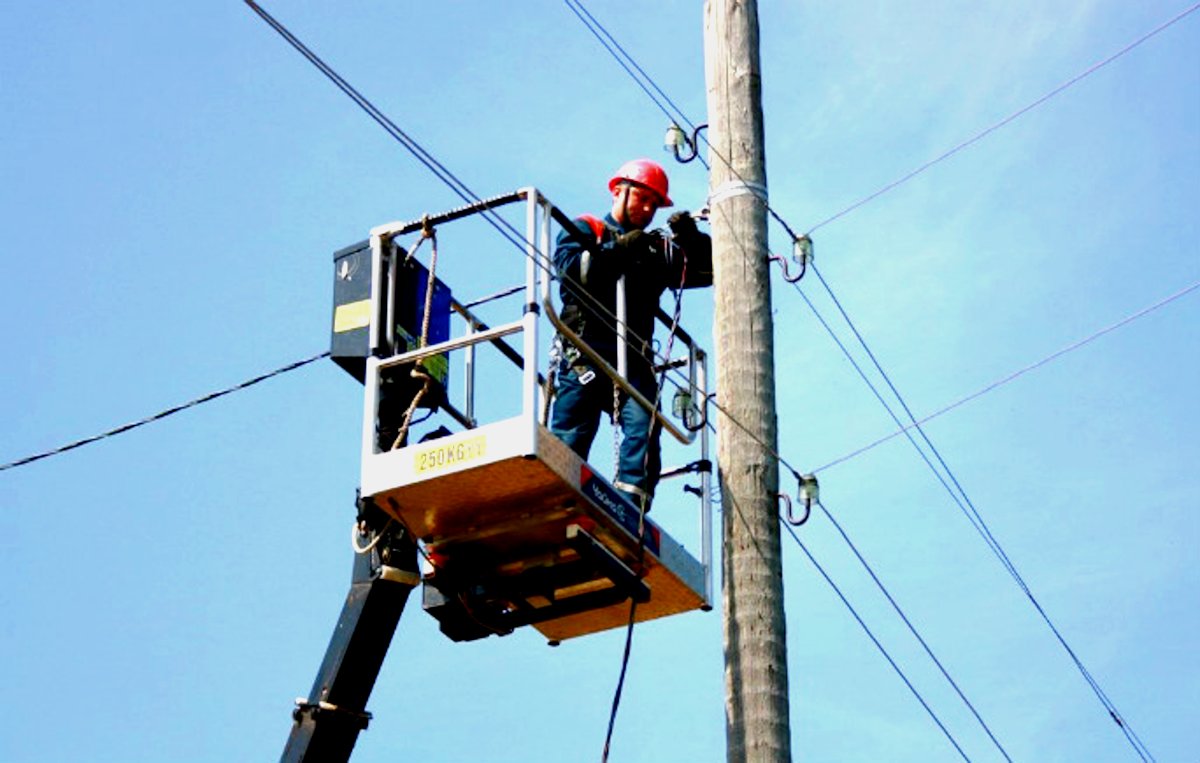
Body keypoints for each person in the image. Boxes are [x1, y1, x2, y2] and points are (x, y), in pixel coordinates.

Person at [550, 158, 712, 510]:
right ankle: (557, 497)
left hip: (633, 356)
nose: (649, 208)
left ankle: (630, 509)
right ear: (618, 191)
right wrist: (619, 250)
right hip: (586, 346)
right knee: (573, 428)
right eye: (643, 198)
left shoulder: (655, 250)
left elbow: (707, 270)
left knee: (644, 424)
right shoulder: (587, 228)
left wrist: (691, 239)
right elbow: (573, 277)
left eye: (656, 204)